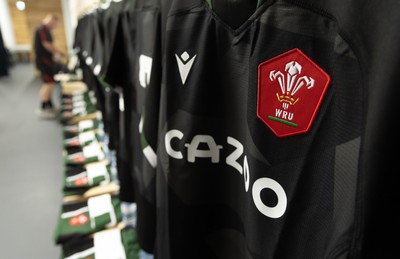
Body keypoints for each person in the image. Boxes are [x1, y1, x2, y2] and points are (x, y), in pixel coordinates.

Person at [33, 14, 66, 119]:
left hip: (47, 61)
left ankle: (49, 105)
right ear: (51, 20)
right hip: (44, 61)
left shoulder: (45, 29)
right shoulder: (42, 29)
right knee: (47, 83)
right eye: (54, 25)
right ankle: (43, 107)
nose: (54, 27)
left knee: (50, 83)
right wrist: (59, 53)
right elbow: (47, 44)